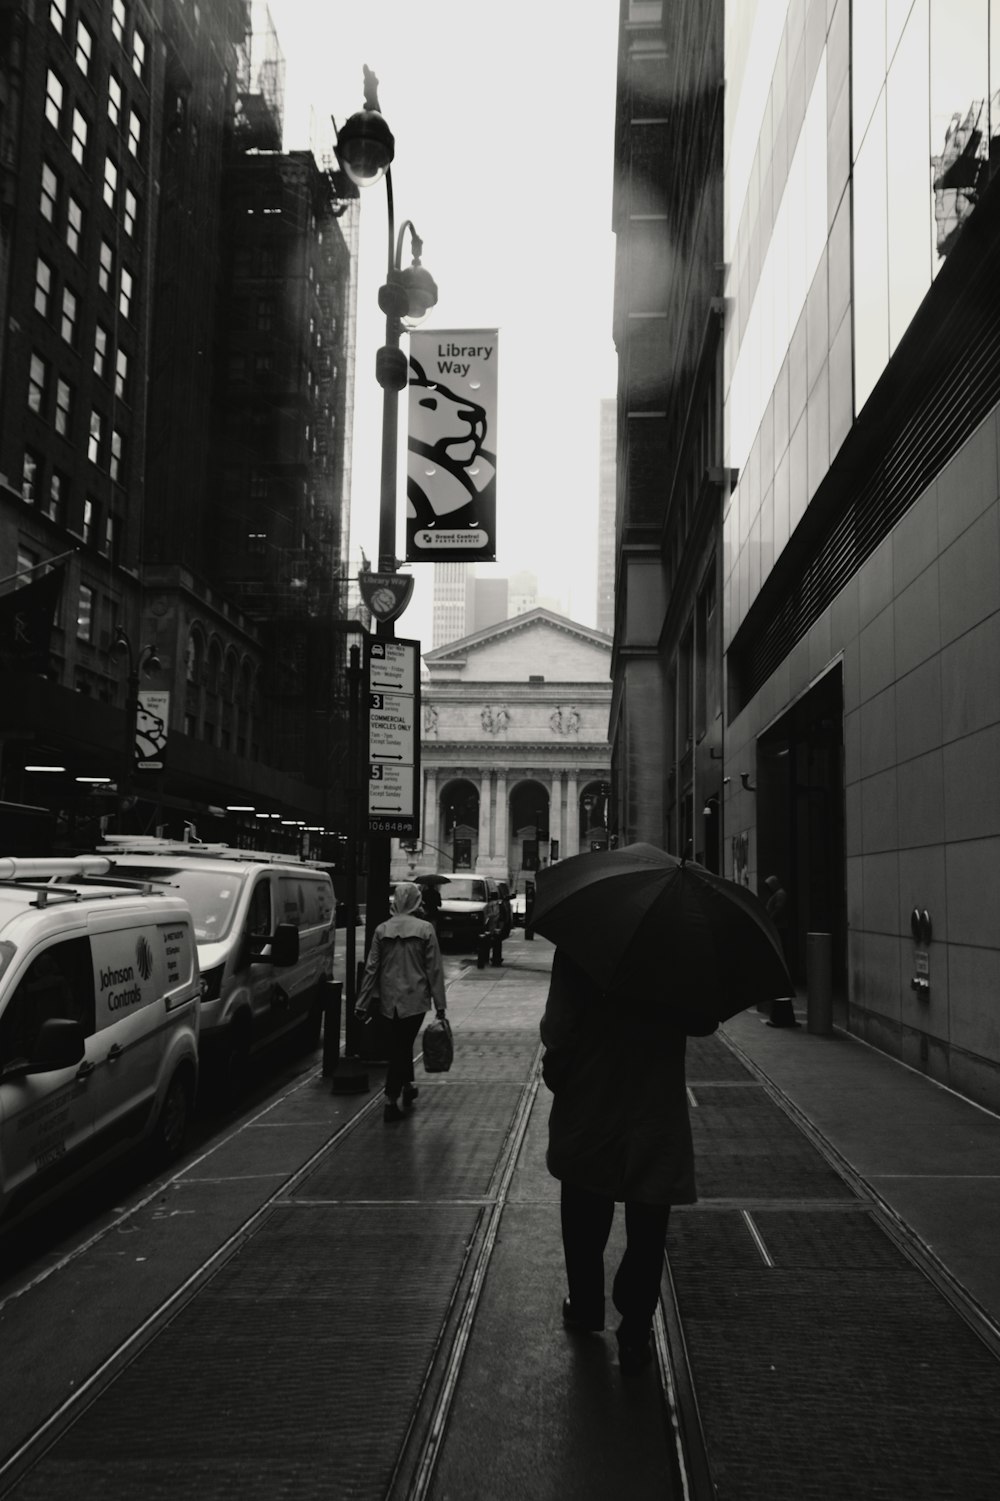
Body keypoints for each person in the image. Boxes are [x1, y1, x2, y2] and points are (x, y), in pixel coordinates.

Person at [540, 947, 716, 1373]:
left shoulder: (582, 943)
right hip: (653, 1099)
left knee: (584, 1205)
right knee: (649, 1220)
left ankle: (585, 1303)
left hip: (592, 1095)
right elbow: (704, 1020)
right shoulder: (676, 947)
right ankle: (636, 1327)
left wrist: (559, 1065)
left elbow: (558, 1026)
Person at [356, 882, 447, 1123]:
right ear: (417, 901)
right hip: (415, 1000)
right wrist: (440, 1005)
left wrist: (362, 1002)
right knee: (402, 1047)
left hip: (388, 1000)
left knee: (400, 1044)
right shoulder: (426, 929)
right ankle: (391, 1098)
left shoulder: (382, 930)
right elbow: (434, 970)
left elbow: (371, 969)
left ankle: (407, 1086)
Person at [764, 874, 797, 1028]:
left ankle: (780, 1013)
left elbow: (778, 910)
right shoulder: (778, 894)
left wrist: (769, 919)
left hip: (778, 929)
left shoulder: (781, 894)